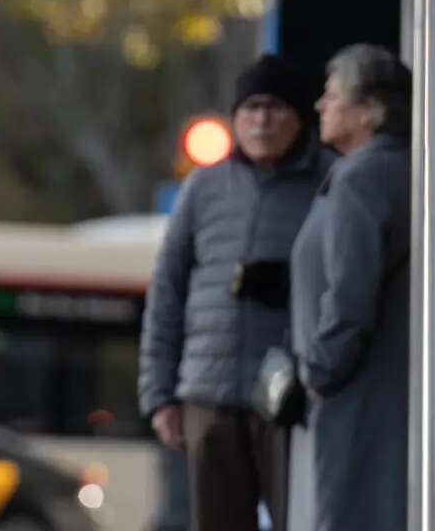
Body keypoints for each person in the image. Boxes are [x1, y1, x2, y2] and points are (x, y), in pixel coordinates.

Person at [139, 54, 334, 531]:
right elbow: (166, 290)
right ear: (235, 118)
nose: (262, 120)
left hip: (292, 397)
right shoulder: (203, 187)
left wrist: (288, 287)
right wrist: (159, 395)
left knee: (304, 519)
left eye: (275, 108)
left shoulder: (331, 180)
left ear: (299, 116)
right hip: (209, 393)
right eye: (251, 108)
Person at [285, 44, 412, 531]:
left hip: (354, 397)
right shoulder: (396, 168)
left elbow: (348, 293)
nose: (320, 105)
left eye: (332, 94)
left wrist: (318, 369)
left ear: (367, 111)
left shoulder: (363, 176)